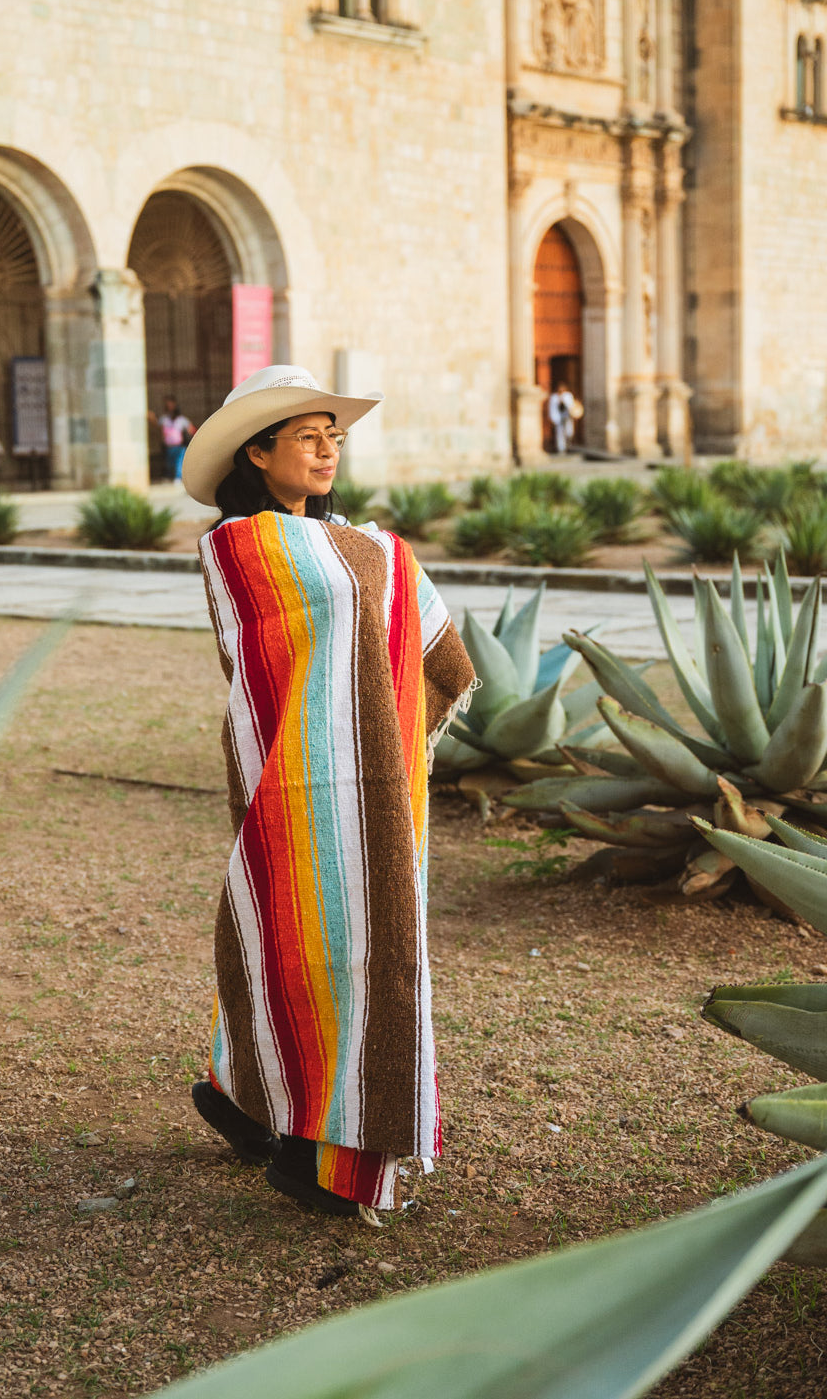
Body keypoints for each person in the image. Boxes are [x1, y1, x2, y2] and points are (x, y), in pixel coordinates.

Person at [180, 365, 475, 1221]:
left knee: (335, 936)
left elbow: (407, 620)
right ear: (258, 451)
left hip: (367, 786)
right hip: (295, 774)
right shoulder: (245, 546)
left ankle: (243, 1095)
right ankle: (323, 1155)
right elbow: (343, 587)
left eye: (333, 436)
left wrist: (384, 558)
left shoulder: (349, 539)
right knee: (308, 936)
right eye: (307, 437)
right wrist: (385, 556)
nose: (327, 450)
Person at [157, 396, 195, 481]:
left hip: (179, 446)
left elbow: (191, 429)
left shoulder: (181, 419)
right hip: (168, 446)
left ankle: (178, 477)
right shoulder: (164, 419)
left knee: (179, 462)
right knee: (169, 463)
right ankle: (170, 476)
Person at [548, 383, 573, 454]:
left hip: (567, 416)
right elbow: (552, 408)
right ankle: (561, 448)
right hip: (558, 418)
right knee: (560, 433)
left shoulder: (568, 396)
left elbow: (571, 406)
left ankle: (569, 446)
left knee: (569, 432)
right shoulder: (554, 397)